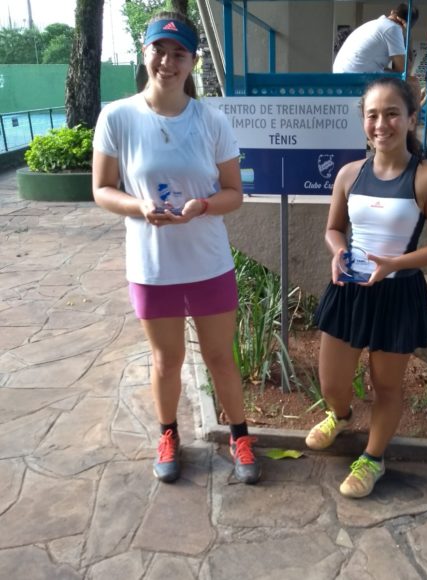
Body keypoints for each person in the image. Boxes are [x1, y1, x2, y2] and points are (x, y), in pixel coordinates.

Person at [92, 11, 260, 485]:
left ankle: (240, 436)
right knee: (167, 360)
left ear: (193, 61)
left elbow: (234, 193)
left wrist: (202, 205)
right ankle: (168, 435)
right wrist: (138, 206)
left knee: (220, 357)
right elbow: (102, 189)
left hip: (208, 262)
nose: (167, 62)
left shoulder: (211, 120)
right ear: (144, 52)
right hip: (152, 265)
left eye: (179, 53)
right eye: (159, 50)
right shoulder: (117, 116)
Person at [305, 77, 427, 499]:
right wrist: (338, 251)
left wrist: (395, 263)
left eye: (392, 113)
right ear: (363, 121)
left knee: (386, 385)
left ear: (411, 119)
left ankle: (373, 458)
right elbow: (334, 229)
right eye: (372, 114)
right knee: (331, 382)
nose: (381, 123)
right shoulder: (349, 174)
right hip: (350, 289)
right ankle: (340, 415)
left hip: (398, 294)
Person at [333, 3, 419, 75]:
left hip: (339, 73)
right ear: (406, 26)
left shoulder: (373, 24)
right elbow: (403, 70)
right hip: (356, 75)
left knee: (386, 72)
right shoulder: (393, 28)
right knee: (412, 82)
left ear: (393, 12)